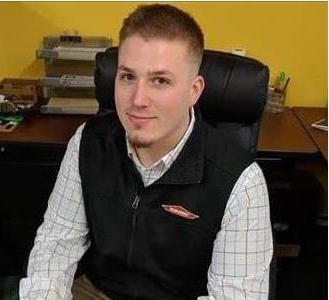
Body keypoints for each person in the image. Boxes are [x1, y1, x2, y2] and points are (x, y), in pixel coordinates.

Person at [20, 4, 273, 300]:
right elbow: (56, 244)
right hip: (98, 291)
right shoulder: (88, 142)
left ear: (194, 90)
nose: (138, 99)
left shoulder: (242, 183)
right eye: (128, 77)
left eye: (160, 81)